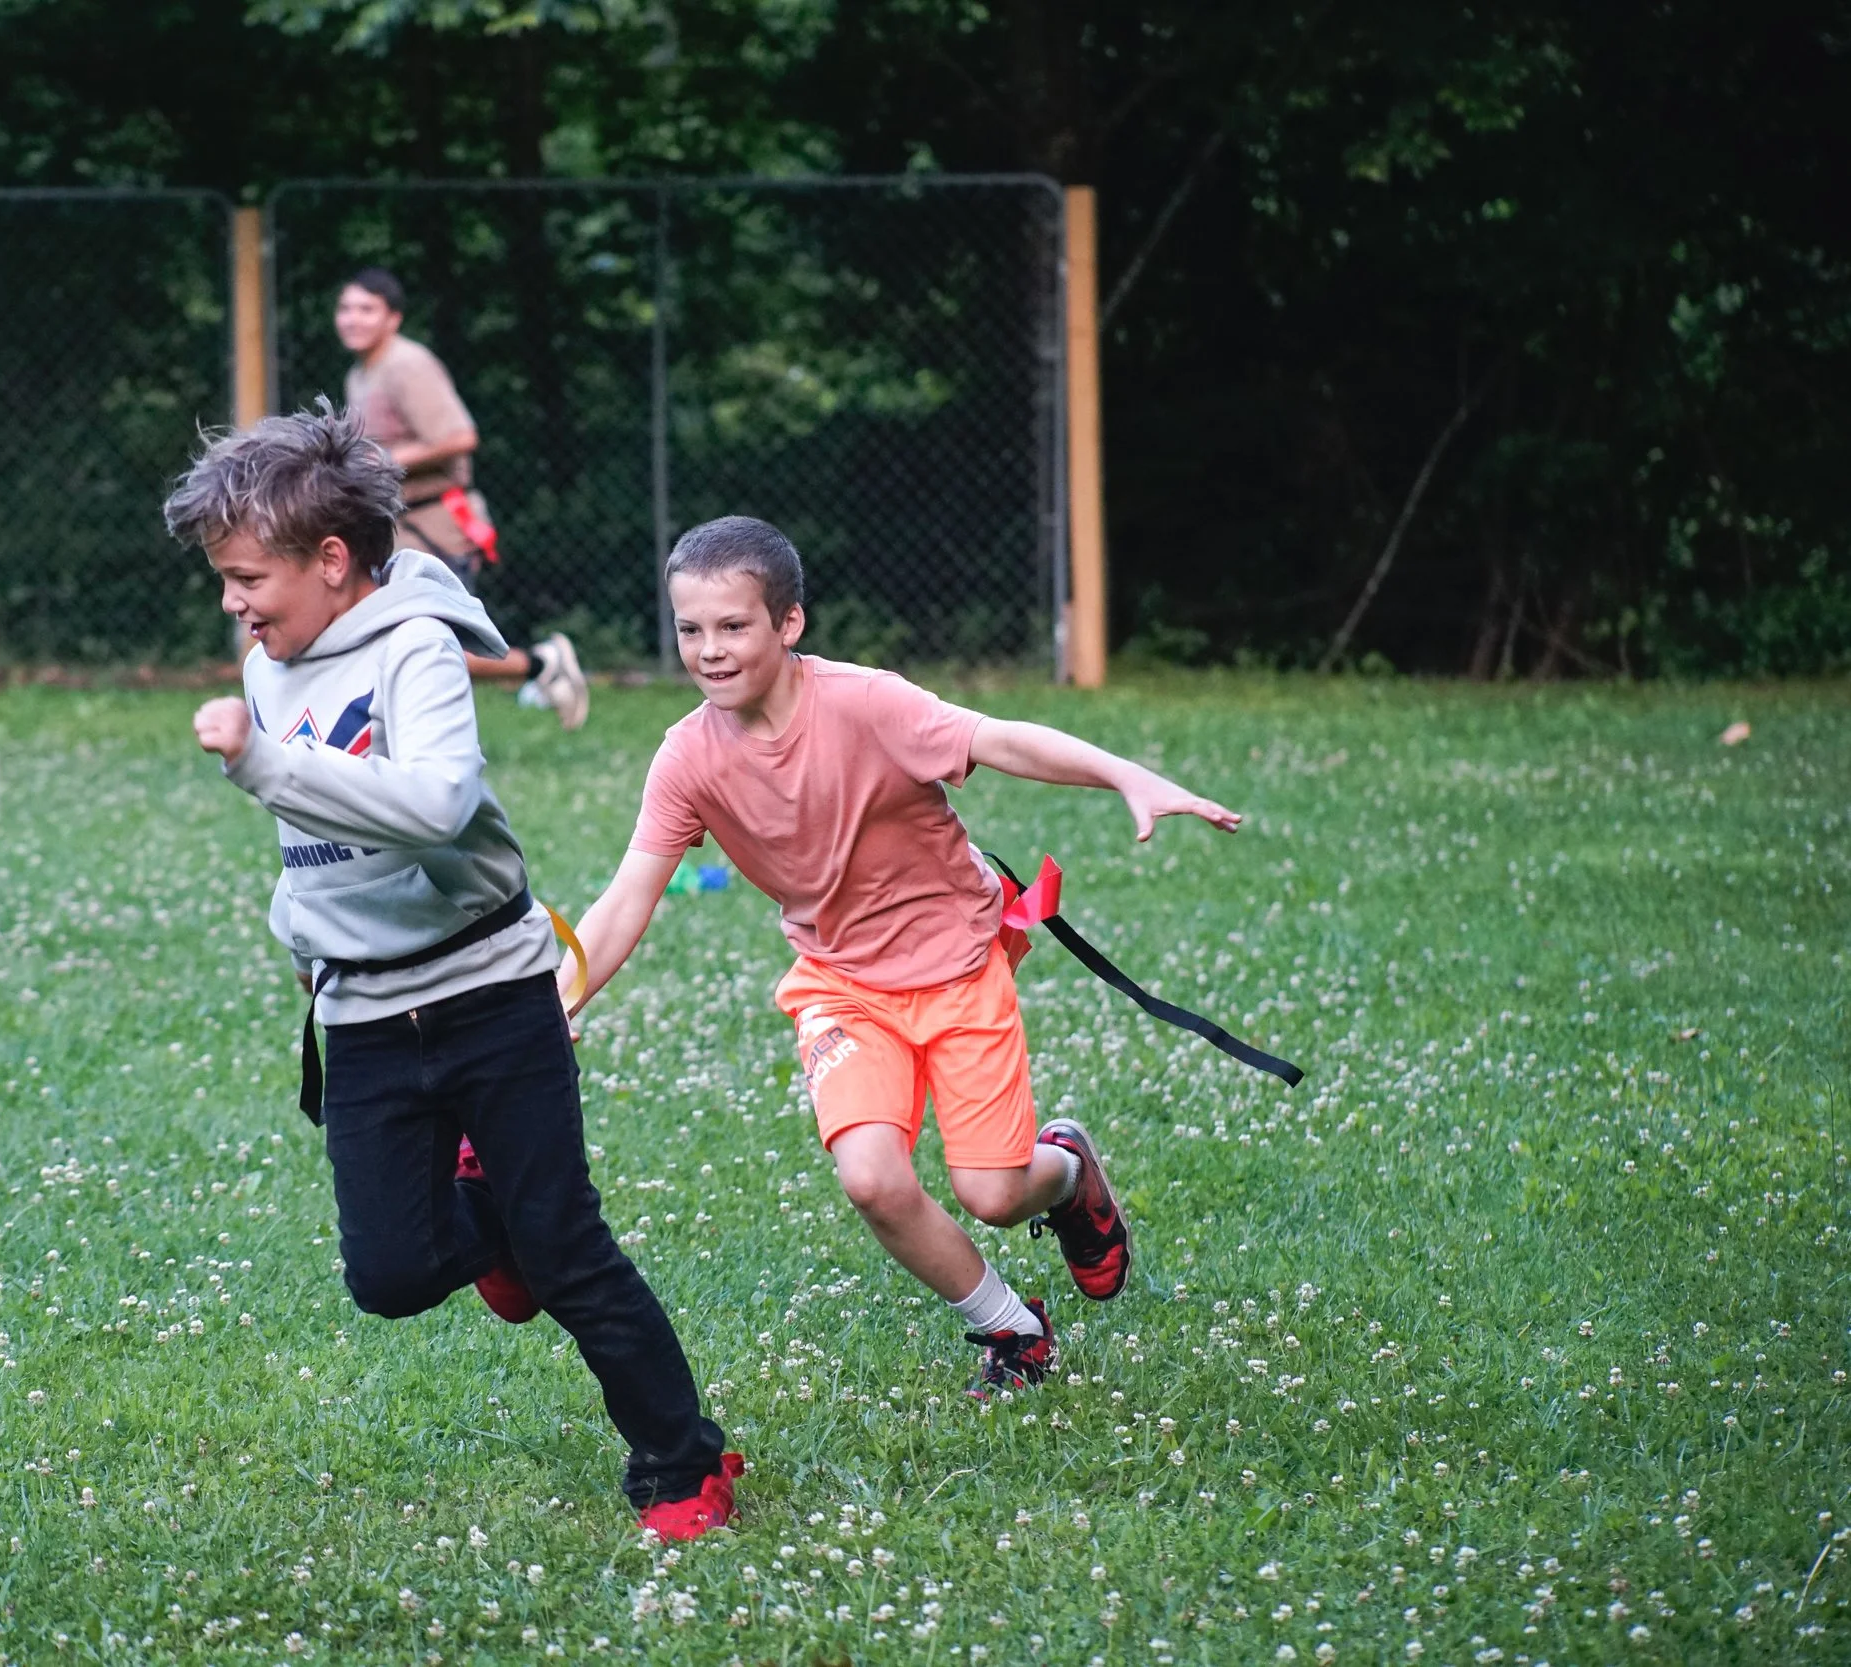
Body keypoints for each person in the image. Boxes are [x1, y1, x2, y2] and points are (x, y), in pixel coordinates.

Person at [168, 402, 742, 1536]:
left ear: (331, 561)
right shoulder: (267, 665)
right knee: (386, 1274)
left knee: (568, 1249)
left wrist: (264, 765)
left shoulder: (418, 648)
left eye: (247, 576)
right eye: (225, 579)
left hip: (491, 995)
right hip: (369, 1020)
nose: (233, 600)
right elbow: (314, 853)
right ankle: (492, 1214)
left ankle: (684, 1464)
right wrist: (303, 943)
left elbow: (436, 807)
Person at [566, 516, 1243, 1396]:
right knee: (874, 1179)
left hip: (958, 964)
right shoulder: (688, 757)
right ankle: (1012, 1328)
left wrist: (1127, 774)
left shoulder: (867, 703)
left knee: (993, 1192)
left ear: (788, 624)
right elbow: (628, 895)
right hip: (839, 983)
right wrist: (557, 995)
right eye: (690, 629)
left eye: (733, 626)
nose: (710, 650)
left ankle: (1070, 1173)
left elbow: (1000, 739)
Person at [336, 267, 590, 729]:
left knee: (434, 645)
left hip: (433, 526)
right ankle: (537, 667)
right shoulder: (361, 373)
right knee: (394, 640)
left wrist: (382, 461)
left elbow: (459, 436)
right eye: (346, 308)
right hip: (395, 525)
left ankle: (539, 664)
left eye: (366, 309)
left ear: (393, 318)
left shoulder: (406, 364)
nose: (353, 319)